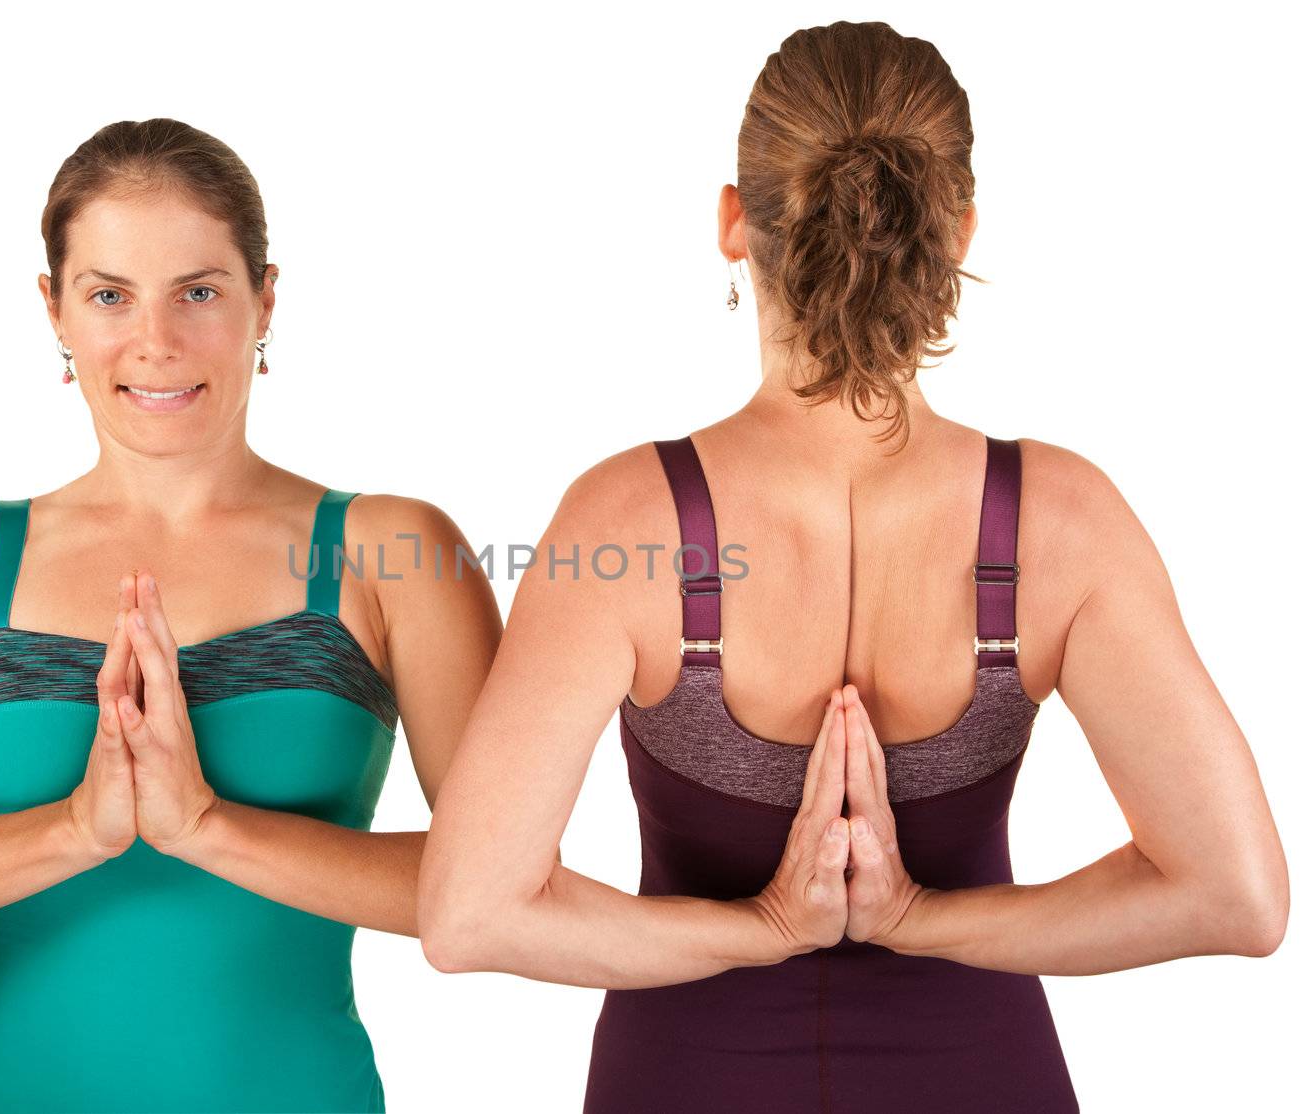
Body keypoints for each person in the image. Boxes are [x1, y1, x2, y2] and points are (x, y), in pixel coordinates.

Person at [417, 21, 1288, 1114]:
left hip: (683, 1079)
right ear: (956, 230)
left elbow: (469, 916)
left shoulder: (630, 519)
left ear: (734, 223)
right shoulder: (1060, 521)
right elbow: (1235, 897)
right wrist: (912, 915)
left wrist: (764, 927)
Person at [0, 117, 502, 1113]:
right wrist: (71, 831)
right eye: (109, 295)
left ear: (265, 298)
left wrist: (208, 827)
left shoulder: (392, 552)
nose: (156, 342)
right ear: (53, 309)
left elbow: (503, 892)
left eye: (199, 291)